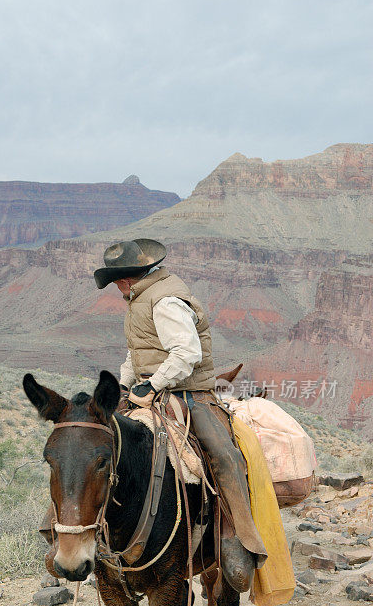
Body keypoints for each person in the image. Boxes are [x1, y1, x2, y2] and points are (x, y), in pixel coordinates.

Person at [94, 238, 267, 565]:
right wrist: (123, 383)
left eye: (115, 281)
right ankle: (69, 533)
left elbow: (187, 353)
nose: (114, 287)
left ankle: (240, 538)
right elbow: (138, 351)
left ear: (126, 279)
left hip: (190, 395)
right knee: (92, 439)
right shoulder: (139, 298)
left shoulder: (165, 301)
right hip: (149, 391)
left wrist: (153, 384)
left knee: (224, 455)